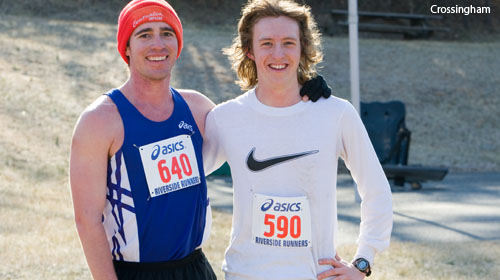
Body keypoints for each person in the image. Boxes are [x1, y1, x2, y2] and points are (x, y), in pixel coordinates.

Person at [69, 0, 329, 279]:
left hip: (196, 269)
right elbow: (87, 220)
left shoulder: (198, 109)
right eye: (144, 34)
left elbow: (259, 130)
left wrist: (303, 91)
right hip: (134, 271)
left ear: (178, 45)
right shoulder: (100, 120)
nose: (158, 44)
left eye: (167, 33)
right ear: (127, 48)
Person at [202, 0, 393, 279]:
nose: (278, 53)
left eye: (288, 43)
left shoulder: (336, 113)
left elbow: (377, 191)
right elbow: (186, 181)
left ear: (303, 48)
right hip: (245, 274)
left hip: (314, 274)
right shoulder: (226, 117)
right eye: (266, 43)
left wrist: (363, 262)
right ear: (249, 51)